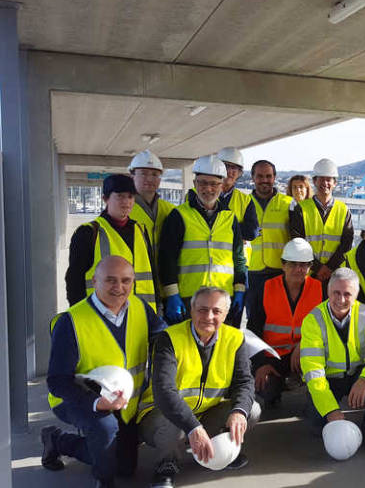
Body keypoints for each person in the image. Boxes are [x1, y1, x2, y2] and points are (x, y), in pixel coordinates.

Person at [43, 256, 167, 488]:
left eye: (125, 281)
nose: (118, 287)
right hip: (77, 399)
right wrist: (96, 403)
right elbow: (57, 381)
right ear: (94, 281)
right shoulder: (71, 322)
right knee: (105, 431)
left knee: (125, 466)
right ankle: (104, 480)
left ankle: (57, 441)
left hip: (124, 402)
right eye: (110, 280)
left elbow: (163, 338)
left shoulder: (141, 308)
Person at [137, 287, 259, 488]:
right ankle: (166, 464)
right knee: (173, 428)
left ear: (226, 314)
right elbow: (164, 391)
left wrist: (238, 412)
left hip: (205, 411)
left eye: (216, 311)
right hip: (160, 414)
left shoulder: (235, 338)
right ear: (191, 310)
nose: (208, 316)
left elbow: (244, 382)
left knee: (250, 410)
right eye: (202, 310)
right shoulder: (169, 339)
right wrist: (193, 427)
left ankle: (215, 449)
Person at [299, 268, 365, 452]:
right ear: (328, 291)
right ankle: (318, 405)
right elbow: (313, 372)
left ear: (356, 295)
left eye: (347, 294)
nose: (341, 300)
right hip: (329, 381)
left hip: (356, 378)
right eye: (336, 293)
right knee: (317, 426)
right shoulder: (313, 320)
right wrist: (330, 411)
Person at [158, 155, 247, 326]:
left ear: (221, 186)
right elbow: (166, 258)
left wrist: (240, 290)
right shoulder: (179, 216)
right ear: (194, 183)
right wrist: (172, 295)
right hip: (188, 300)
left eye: (214, 184)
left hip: (222, 298)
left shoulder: (230, 218)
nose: (208, 189)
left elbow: (238, 258)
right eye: (203, 183)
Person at [246, 238, 326, 407]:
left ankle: (312, 395)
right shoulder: (266, 288)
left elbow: (326, 329)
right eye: (293, 264)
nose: (299, 269)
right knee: (267, 388)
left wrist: (304, 345)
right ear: (283, 265)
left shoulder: (320, 289)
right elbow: (252, 331)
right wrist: (261, 364)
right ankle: (279, 384)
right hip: (272, 356)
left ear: (310, 267)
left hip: (305, 353)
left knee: (320, 387)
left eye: (304, 265)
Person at [65, 174, 157, 311]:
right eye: (120, 196)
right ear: (105, 199)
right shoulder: (88, 233)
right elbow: (74, 281)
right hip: (102, 317)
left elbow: (152, 274)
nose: (126, 202)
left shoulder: (141, 231)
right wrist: (79, 316)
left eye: (130, 196)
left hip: (141, 316)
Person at [245, 160, 293, 328]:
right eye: (260, 176)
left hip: (280, 271)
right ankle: (256, 355)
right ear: (252, 178)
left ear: (274, 177)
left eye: (268, 176)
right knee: (254, 322)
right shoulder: (244, 203)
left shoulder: (288, 203)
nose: (264, 180)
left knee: (278, 321)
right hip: (252, 273)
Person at [289, 158, 353, 283]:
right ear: (314, 181)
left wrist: (329, 267)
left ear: (335, 183)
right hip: (308, 273)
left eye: (329, 179)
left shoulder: (343, 210)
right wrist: (318, 268)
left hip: (335, 274)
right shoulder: (301, 209)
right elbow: (297, 241)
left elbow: (347, 244)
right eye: (321, 179)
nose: (325, 183)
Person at [128, 150, 175, 260]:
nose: (149, 179)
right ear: (132, 176)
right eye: (143, 173)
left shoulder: (170, 210)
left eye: (155, 174)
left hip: (163, 275)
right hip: (133, 275)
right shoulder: (122, 209)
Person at [216, 146, 260, 242]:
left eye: (234, 168)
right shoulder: (198, 195)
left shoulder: (245, 200)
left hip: (235, 256)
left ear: (239, 173)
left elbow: (251, 232)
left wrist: (217, 224)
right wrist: (238, 229)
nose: (229, 171)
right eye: (226, 166)